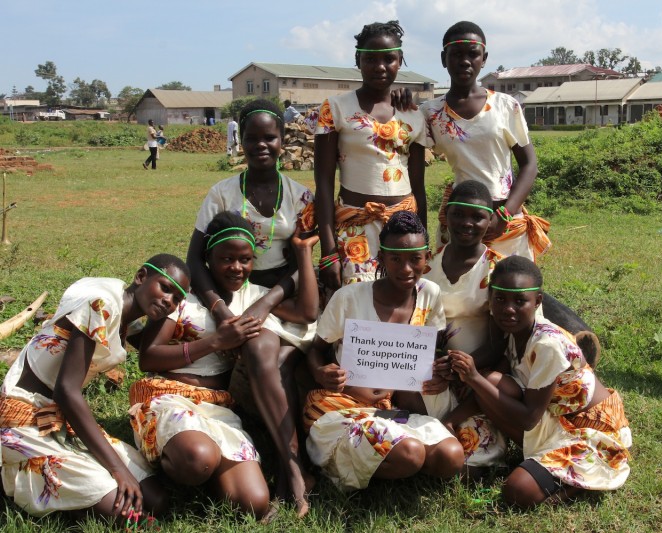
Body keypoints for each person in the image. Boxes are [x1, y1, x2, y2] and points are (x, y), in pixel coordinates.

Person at [130, 212, 319, 521]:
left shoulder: (254, 296)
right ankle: (184, 458)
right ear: (208, 258)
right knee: (196, 458)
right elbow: (148, 357)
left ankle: (214, 466)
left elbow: (308, 312)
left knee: (253, 502)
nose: (236, 267)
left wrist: (302, 255)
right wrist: (216, 342)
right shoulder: (183, 297)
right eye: (226, 258)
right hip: (171, 396)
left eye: (245, 259)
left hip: (219, 407)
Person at [186, 98, 316, 516]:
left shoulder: (300, 195)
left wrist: (268, 302)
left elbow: (308, 258)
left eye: (270, 137)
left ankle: (288, 467)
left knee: (269, 353)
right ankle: (290, 466)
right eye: (252, 138)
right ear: (240, 142)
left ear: (282, 140)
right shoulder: (221, 192)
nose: (261, 145)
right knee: (267, 355)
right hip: (233, 293)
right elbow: (194, 258)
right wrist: (221, 310)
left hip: (286, 294)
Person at [0, 255, 190, 521]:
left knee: (155, 497)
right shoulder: (100, 303)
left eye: (178, 298)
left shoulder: (128, 320)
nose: (169, 300)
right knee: (126, 510)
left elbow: (153, 355)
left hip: (60, 416)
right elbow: (66, 391)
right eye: (165, 287)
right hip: (24, 417)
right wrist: (117, 469)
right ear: (141, 277)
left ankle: (85, 483)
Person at [448, 256, 632, 507]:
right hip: (555, 419)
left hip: (588, 431)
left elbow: (528, 418)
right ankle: (539, 463)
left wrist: (473, 377)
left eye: (520, 301)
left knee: (517, 492)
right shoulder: (513, 331)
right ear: (490, 299)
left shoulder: (547, 344)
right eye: (500, 299)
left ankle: (577, 483)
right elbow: (492, 385)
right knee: (491, 381)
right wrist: (449, 420)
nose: (508, 309)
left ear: (538, 302)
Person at [304, 211, 464, 490]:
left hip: (393, 407)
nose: (405, 269)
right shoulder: (350, 297)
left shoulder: (430, 294)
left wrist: (441, 370)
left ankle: (385, 458)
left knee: (451, 458)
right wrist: (320, 372)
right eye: (396, 259)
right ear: (381, 258)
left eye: (415, 259)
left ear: (427, 257)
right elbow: (316, 350)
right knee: (411, 455)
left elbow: (430, 350)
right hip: (345, 404)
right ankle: (353, 462)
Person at [420, 21, 550, 260]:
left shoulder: (505, 106)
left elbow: (529, 165)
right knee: (457, 293)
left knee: (508, 290)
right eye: (456, 54)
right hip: (460, 220)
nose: (465, 61)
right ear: (443, 58)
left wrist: (504, 215)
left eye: (473, 54)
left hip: (505, 217)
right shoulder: (430, 113)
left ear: (484, 58)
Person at [314, 20, 429, 289]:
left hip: (404, 227)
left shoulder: (413, 113)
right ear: (358, 60)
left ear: (400, 60)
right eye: (370, 59)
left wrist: (422, 240)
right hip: (355, 226)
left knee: (401, 305)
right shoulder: (335, 108)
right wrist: (328, 249)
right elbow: (323, 182)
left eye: (389, 59)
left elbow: (419, 186)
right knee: (356, 305)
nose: (380, 67)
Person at [421, 180, 506, 468]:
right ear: (446, 215)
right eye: (458, 214)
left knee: (474, 454)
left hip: (478, 374)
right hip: (433, 370)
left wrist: (459, 369)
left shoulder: (496, 268)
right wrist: (434, 365)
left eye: (477, 216)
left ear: (490, 220)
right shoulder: (427, 267)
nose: (466, 223)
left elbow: (499, 345)